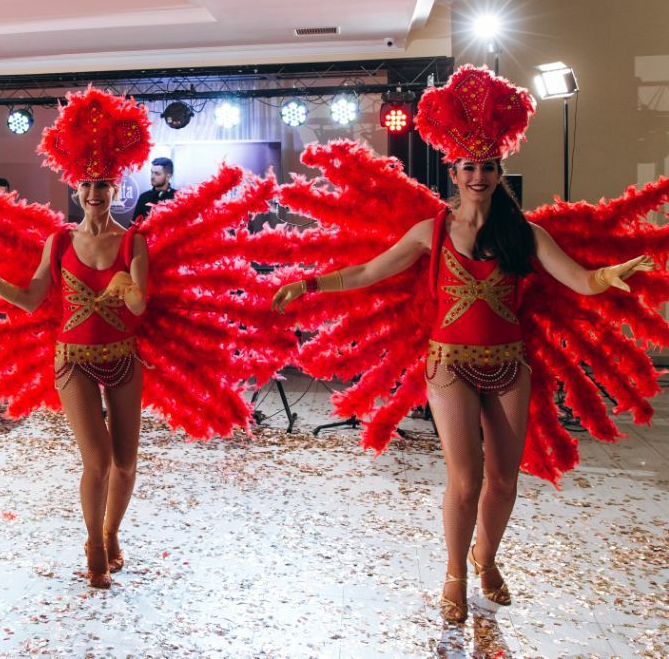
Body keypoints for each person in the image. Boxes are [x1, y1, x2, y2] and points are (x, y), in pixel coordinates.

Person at [270, 67, 655, 623]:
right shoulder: (431, 231)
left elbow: (578, 279)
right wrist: (308, 285)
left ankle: (486, 558)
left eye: (488, 166)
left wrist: (606, 276)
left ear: (500, 172)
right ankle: (454, 572)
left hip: (510, 367)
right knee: (466, 479)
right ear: (453, 172)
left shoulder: (525, 234)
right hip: (449, 366)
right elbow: (368, 272)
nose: (479, 175)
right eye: (469, 166)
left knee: (503, 479)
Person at [0, 88, 259, 590]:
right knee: (98, 461)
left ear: (115, 185)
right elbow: (33, 298)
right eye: (85, 184)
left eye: (101, 184)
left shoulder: (133, 241)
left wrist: (127, 284)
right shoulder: (60, 240)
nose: (93, 193)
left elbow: (139, 307)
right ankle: (93, 544)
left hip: (124, 359)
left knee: (125, 464)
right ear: (75, 187)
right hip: (73, 361)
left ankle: (111, 531)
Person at [131, 157, 176, 222]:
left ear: (168, 176)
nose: (152, 177)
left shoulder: (177, 198)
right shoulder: (144, 197)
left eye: (157, 174)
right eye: (152, 172)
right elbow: (134, 225)